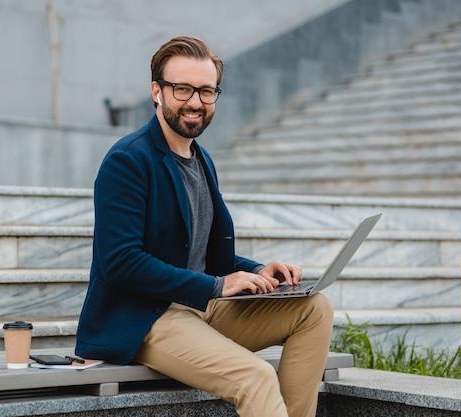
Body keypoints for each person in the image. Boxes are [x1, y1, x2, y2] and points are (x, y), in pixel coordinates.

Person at [75, 35, 334, 417]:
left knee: (314, 308)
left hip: (202, 306)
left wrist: (256, 270)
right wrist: (216, 285)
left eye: (206, 91)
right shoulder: (127, 161)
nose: (195, 102)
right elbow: (120, 262)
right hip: (146, 316)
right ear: (156, 92)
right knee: (256, 376)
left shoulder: (201, 159)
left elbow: (200, 253)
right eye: (182, 89)